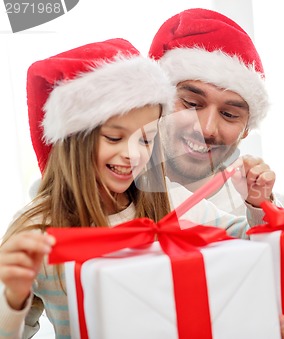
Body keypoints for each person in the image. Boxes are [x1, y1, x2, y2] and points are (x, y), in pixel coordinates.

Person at [0, 38, 264, 338]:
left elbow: (253, 242)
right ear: (73, 141)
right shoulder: (37, 232)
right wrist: (13, 298)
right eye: (114, 138)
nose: (133, 154)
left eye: (146, 139)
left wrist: (257, 203)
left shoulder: (170, 201)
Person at [149, 8, 284, 216]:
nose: (206, 129)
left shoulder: (266, 210)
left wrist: (264, 210)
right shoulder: (110, 197)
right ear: (155, 103)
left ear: (246, 130)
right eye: (191, 104)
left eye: (229, 115)